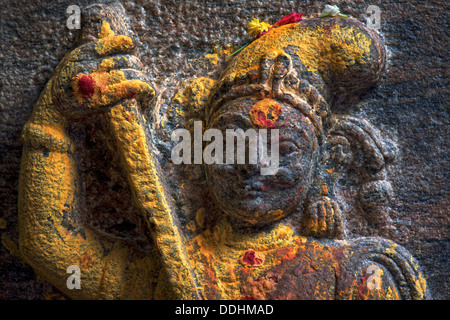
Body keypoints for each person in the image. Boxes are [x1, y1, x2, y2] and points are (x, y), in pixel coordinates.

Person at [18, 3, 427, 300]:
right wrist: (52, 119)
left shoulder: (352, 281)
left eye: (282, 149)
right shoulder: (171, 269)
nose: (254, 162)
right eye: (230, 142)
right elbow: (55, 250)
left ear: (327, 164)